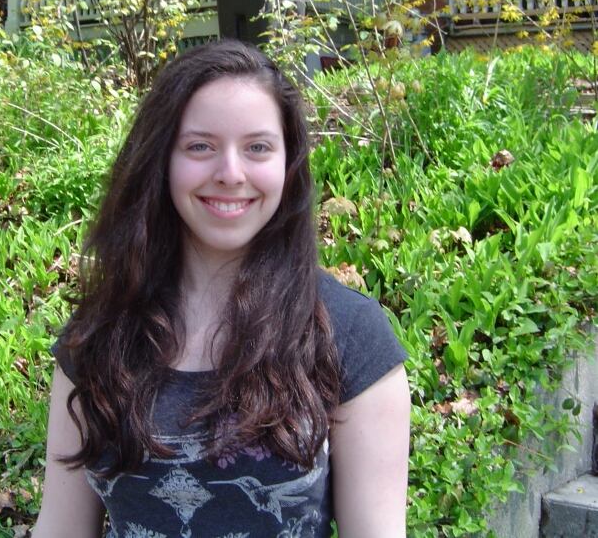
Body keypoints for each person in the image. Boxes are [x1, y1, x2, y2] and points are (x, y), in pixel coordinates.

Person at [32, 40, 410, 538]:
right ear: (160, 160)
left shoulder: (350, 335)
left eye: (257, 147)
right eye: (200, 146)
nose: (231, 174)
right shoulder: (99, 337)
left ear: (288, 164)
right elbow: (60, 528)